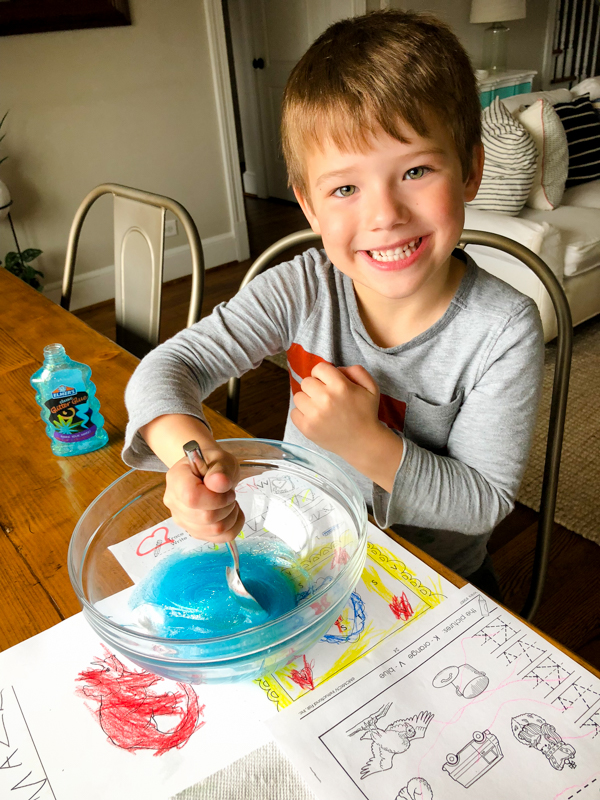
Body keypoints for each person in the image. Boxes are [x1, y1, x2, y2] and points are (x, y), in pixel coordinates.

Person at [123, 9, 544, 599]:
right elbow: (169, 367)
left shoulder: (503, 329)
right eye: (345, 188)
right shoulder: (303, 287)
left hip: (436, 582)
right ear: (309, 206)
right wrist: (189, 456)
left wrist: (363, 441)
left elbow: (483, 502)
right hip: (306, 554)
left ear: (471, 170)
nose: (385, 215)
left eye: (416, 170)